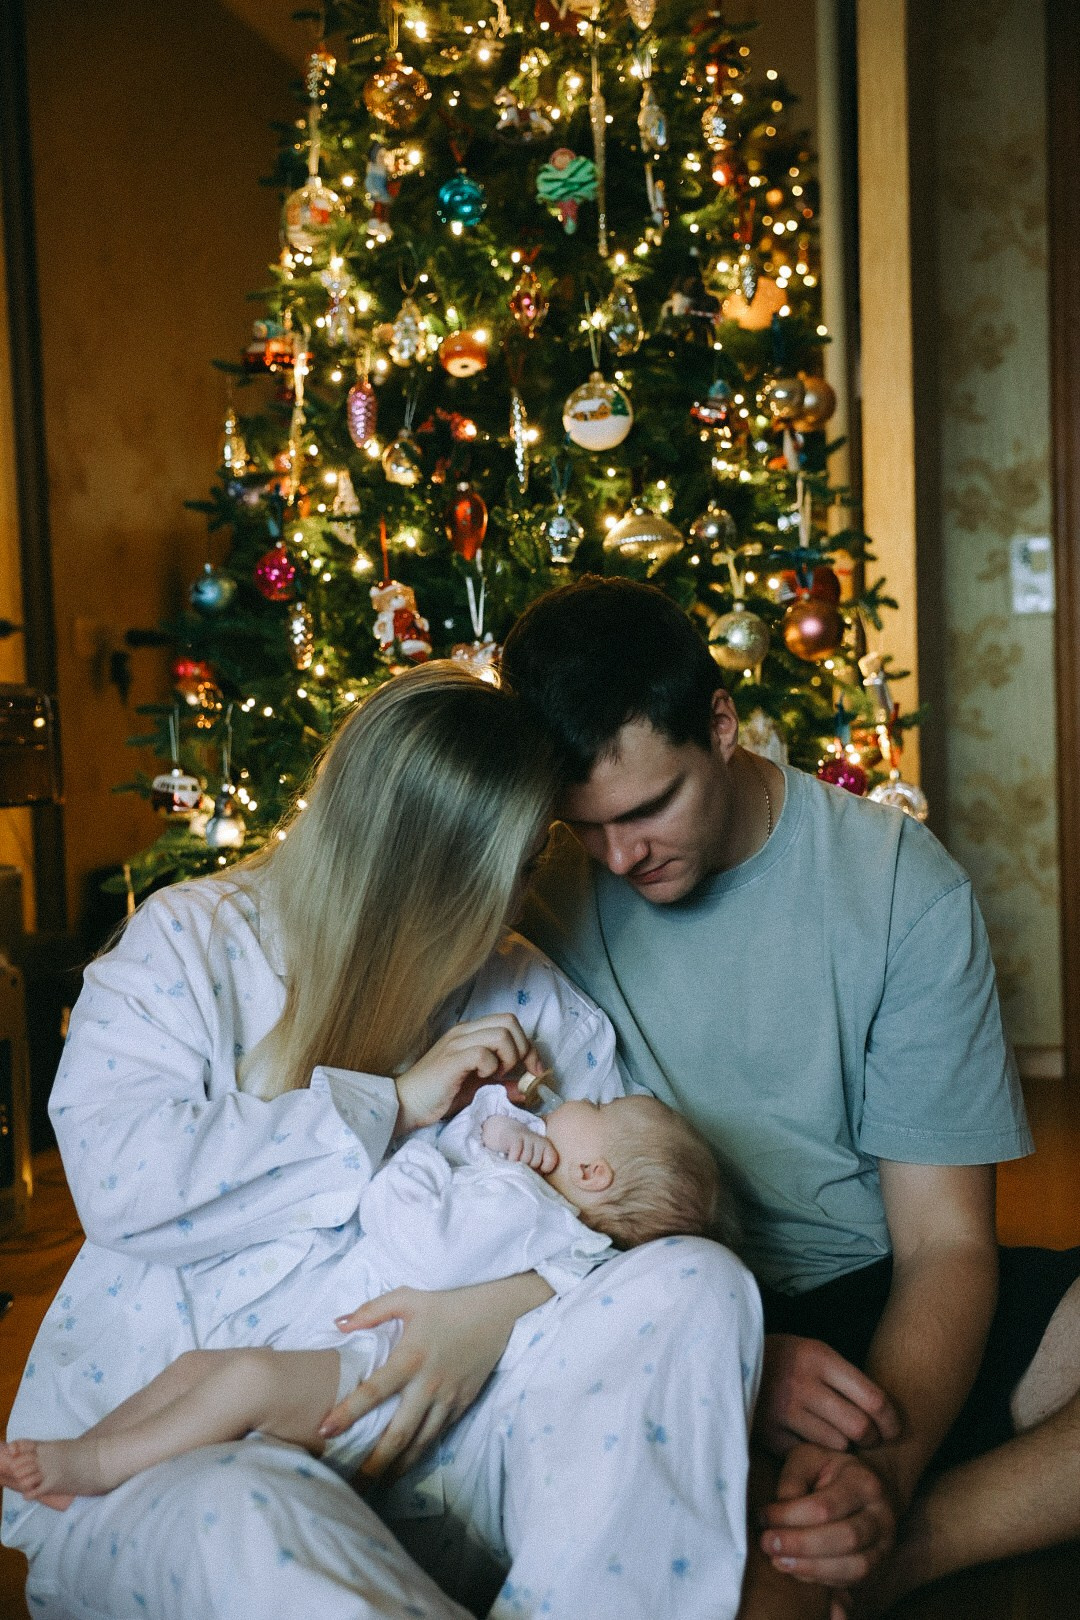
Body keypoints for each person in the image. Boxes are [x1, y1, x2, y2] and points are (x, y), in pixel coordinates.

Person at [3, 661, 761, 1620]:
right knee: (244, 1527)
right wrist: (392, 1104)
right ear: (421, 873)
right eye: (515, 869)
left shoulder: (519, 987)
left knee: (702, 1283)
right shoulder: (188, 947)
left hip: (465, 1436)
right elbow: (126, 1187)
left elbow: (625, 1198)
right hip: (202, 1451)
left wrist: (490, 1314)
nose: (524, 900)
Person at [499, 575, 1080, 1618]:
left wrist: (886, 1483)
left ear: (720, 725)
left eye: (646, 809)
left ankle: (909, 1542)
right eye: (585, 828)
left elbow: (946, 1247)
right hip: (656, 1312)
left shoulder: (902, 888)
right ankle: (815, 1553)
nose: (619, 857)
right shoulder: (541, 900)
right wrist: (740, 1363)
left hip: (877, 1299)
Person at [0, 1085, 725, 1509]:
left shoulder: (523, 1206)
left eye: (595, 1104)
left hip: (372, 1378)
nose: (577, 1098)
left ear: (591, 1173)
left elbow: (423, 1241)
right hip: (356, 1354)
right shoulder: (538, 1214)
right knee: (200, 1370)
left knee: (245, 1381)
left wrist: (412, 1161)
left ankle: (95, 1469)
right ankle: (90, 1459)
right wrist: (493, 1133)